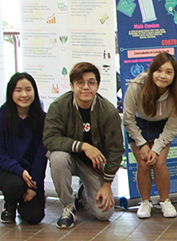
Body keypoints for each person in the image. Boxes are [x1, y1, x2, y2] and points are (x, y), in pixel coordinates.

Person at [44, 62, 124, 228]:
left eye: (91, 82)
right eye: (80, 83)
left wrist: (107, 185)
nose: (86, 87)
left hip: (93, 166)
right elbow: (50, 139)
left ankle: (82, 192)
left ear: (98, 85)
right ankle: (68, 206)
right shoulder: (58, 106)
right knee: (57, 157)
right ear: (72, 86)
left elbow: (116, 150)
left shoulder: (108, 112)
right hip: (68, 159)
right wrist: (83, 146)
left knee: (104, 214)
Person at [122, 52, 177, 219]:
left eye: (168, 72)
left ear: (174, 75)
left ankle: (165, 201)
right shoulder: (137, 85)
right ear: (151, 71)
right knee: (143, 164)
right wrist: (142, 144)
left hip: (162, 126)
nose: (163, 76)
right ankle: (145, 202)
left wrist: (155, 149)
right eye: (158, 70)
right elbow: (128, 119)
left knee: (159, 162)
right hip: (138, 124)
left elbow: (172, 126)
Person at [0, 73, 47, 225]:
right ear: (11, 93)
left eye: (28, 89)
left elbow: (41, 156)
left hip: (30, 174)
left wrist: (34, 186)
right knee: (15, 185)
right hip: (5, 170)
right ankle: (10, 205)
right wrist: (19, 171)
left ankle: (23, 203)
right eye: (18, 90)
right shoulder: (1, 118)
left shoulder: (43, 119)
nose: (24, 95)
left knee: (34, 217)